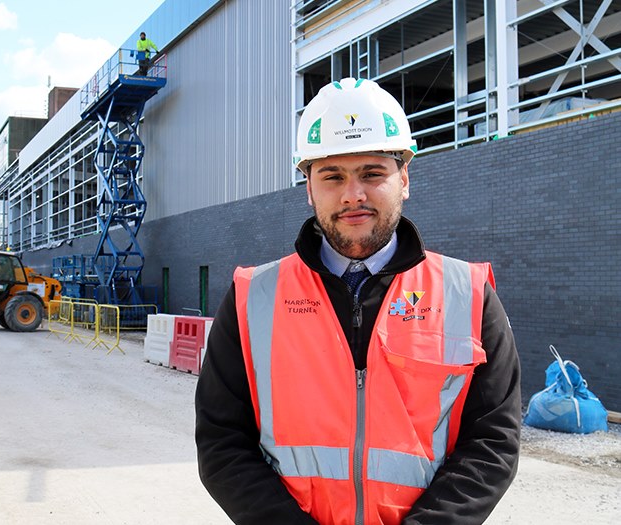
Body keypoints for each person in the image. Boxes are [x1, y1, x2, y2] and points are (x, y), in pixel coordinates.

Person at [195, 77, 521, 525]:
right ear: (308, 187)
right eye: (332, 176)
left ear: (404, 178)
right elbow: (222, 442)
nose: (353, 195)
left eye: (372, 173)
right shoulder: (253, 298)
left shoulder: (468, 294)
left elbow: (492, 442)